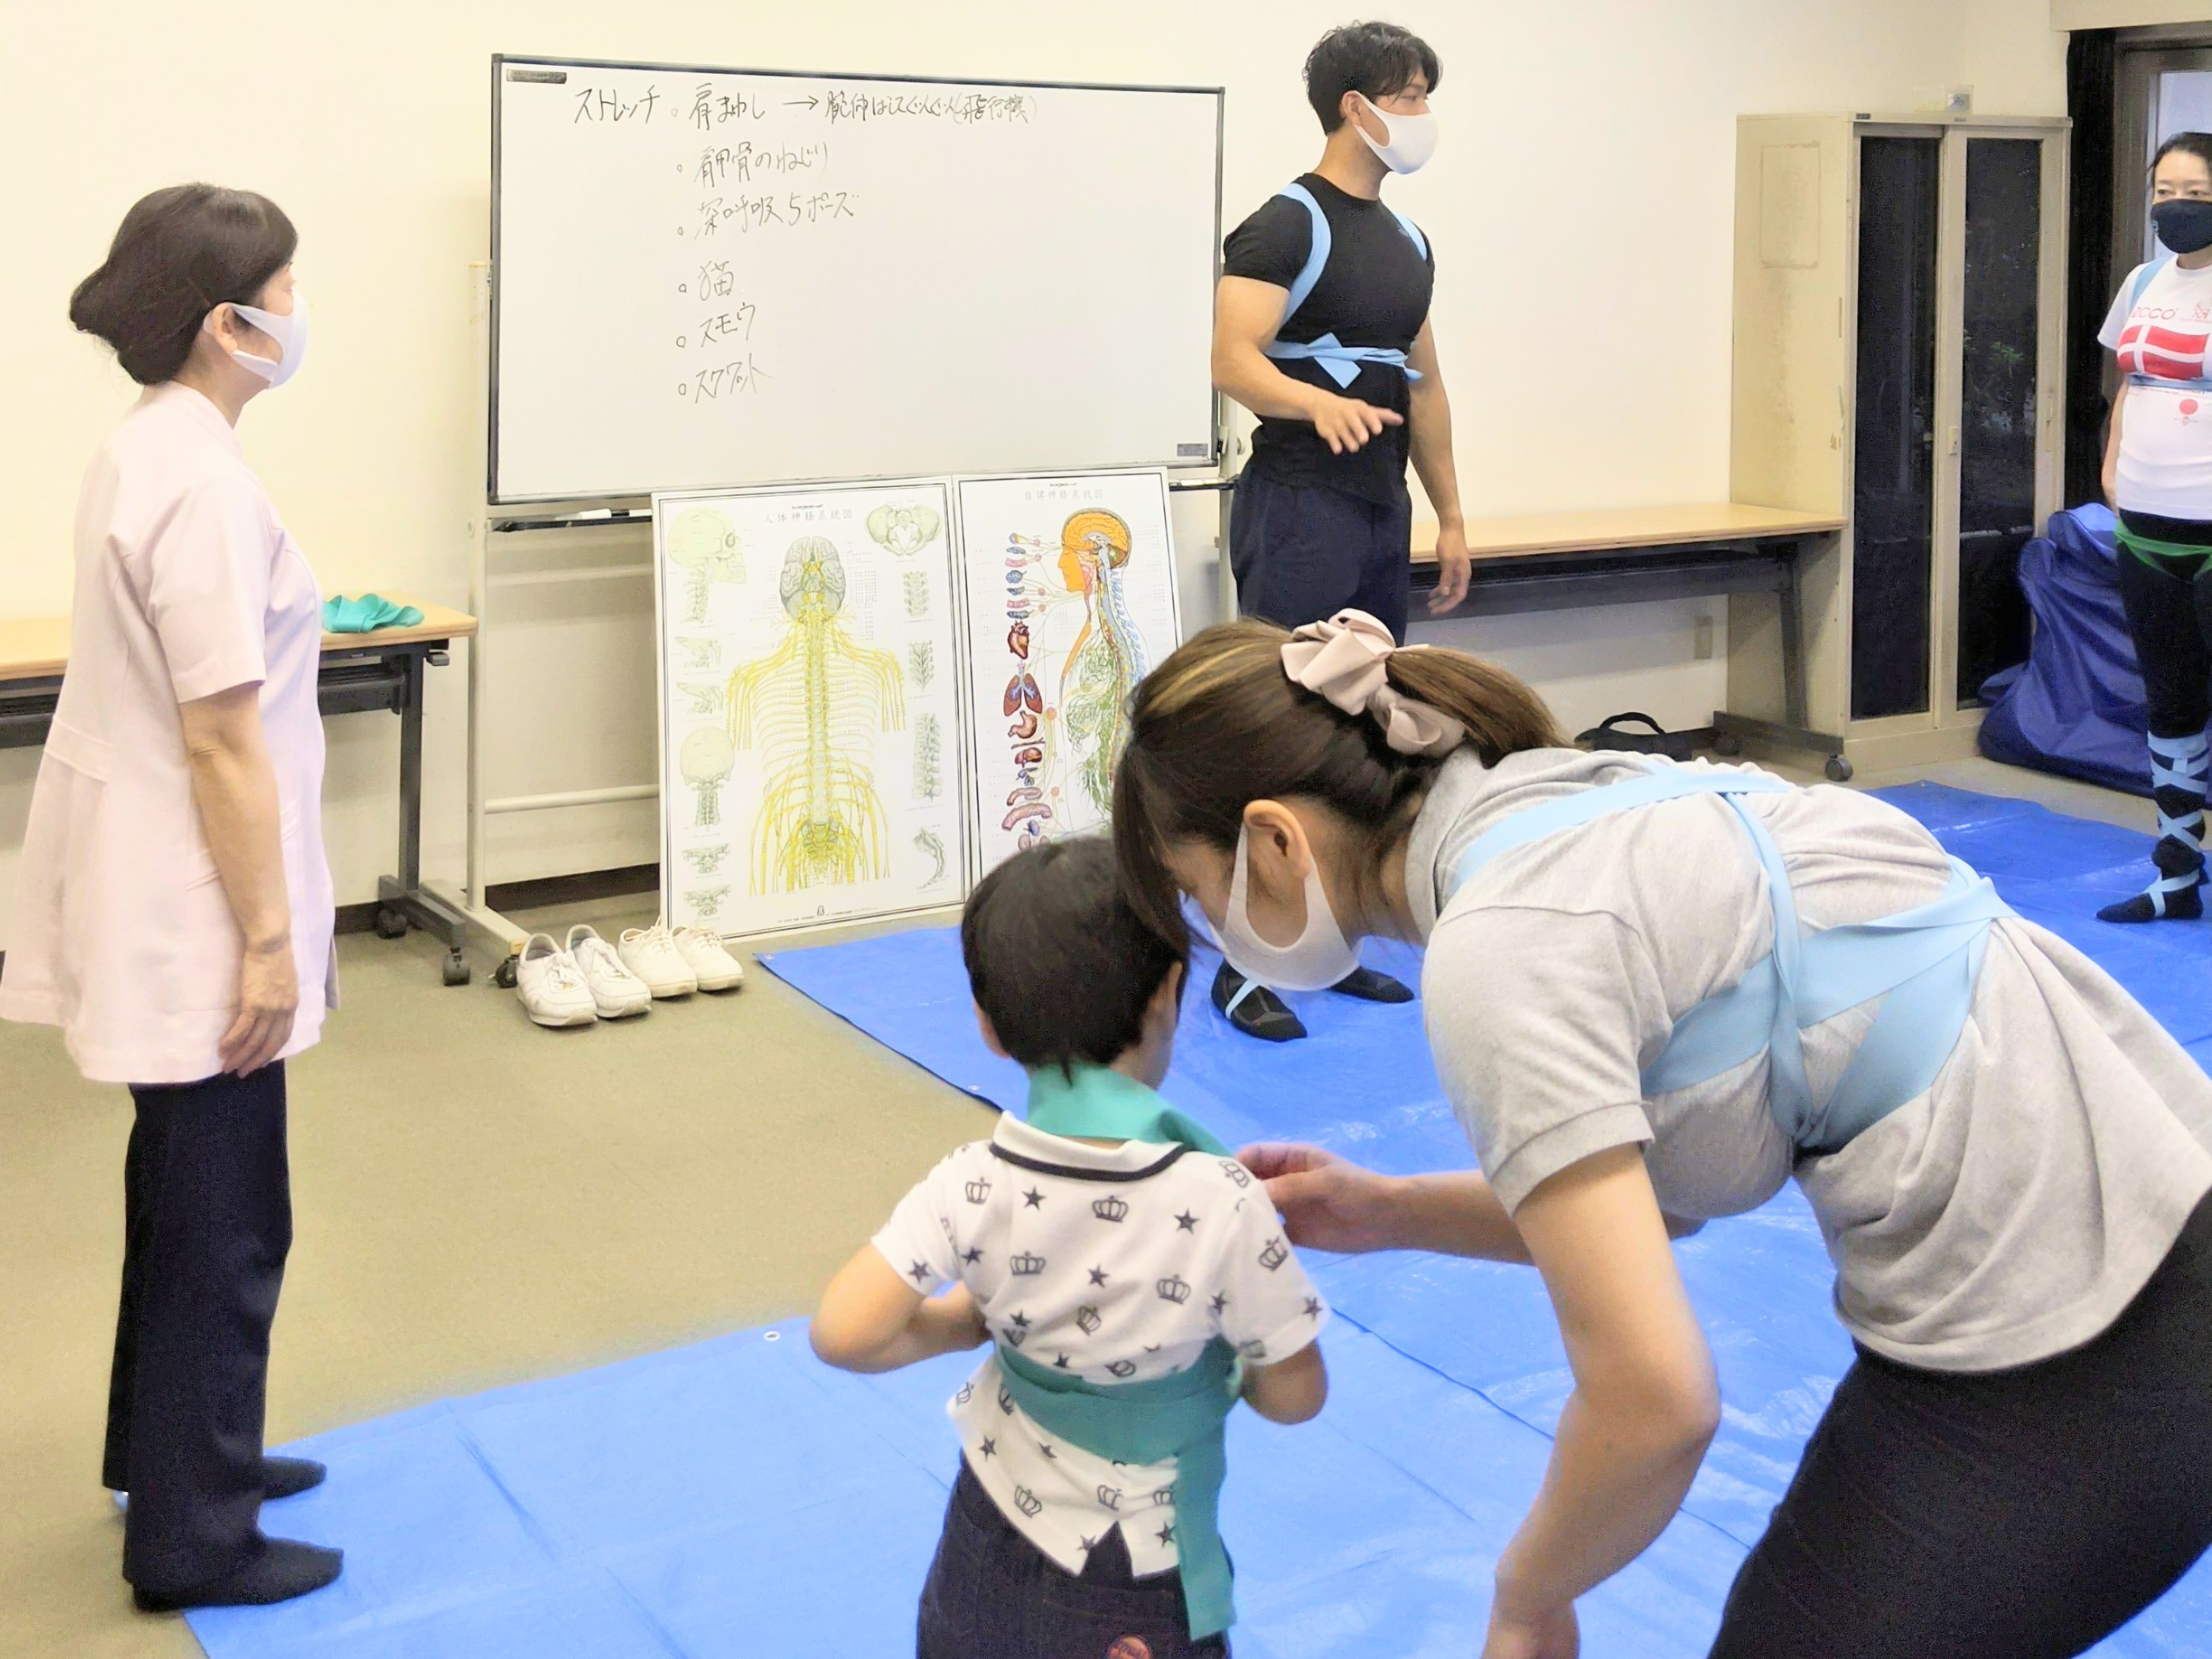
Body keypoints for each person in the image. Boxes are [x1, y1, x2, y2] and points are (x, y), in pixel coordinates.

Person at [1110, 609, 2212, 1659]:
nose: (1217, 931)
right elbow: (1663, 1192)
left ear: (1273, 837)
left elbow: (1654, 1403)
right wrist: (1387, 1209)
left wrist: (1529, 1589)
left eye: (1198, 892)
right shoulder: (1591, 792)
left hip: (2082, 1337)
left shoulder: (1500, 946)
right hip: (2162, 1204)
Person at [0, 185, 344, 1610]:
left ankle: (173, 1459)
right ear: (229, 324)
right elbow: (220, 733)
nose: (299, 315)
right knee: (228, 1218)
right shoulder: (200, 482)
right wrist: (268, 945)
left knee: (176, 1193)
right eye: (286, 290)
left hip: (159, 886)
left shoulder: (146, 450)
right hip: (198, 910)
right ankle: (196, 1539)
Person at [812, 838, 1329, 1658]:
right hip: (1133, 1567)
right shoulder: (1221, 1200)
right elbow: (1297, 1396)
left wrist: (971, 1323)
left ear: (986, 1025)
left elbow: (844, 1332)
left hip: (985, 1534)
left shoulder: (971, 1183)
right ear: (1168, 994)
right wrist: (1228, 1365)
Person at [1206, 21, 1471, 1041]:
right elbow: (1233, 359)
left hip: (1375, 510)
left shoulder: (1407, 244)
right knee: (1277, 729)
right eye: (1406, 96)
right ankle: (1242, 960)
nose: (1420, 116)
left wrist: (1449, 512)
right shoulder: (1284, 225)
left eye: (1422, 97)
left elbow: (1427, 384)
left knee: (1364, 729)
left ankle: (1333, 940)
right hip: (1299, 500)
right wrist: (1313, 405)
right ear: (1354, 107)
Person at [2099, 130, 2212, 923]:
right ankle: (2176, 879)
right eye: (2164, 192)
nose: (2176, 206)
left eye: (2195, 194)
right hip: (2143, 529)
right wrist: (2111, 467)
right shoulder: (2144, 282)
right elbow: (2127, 385)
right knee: (2171, 706)